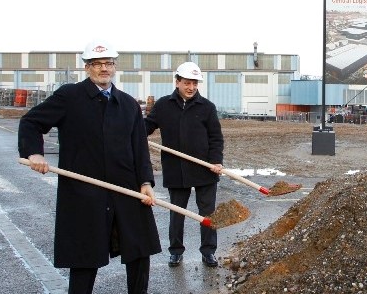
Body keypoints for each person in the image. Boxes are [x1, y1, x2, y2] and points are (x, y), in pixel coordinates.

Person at [18, 40, 161, 293]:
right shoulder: (69, 97)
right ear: (87, 68)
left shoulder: (127, 104)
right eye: (97, 64)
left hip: (126, 190)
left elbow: (139, 148)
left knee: (139, 251)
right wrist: (34, 153)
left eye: (108, 63)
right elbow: (31, 122)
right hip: (84, 191)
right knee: (84, 258)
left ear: (114, 67)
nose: (103, 68)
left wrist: (146, 182)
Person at [144, 61, 224, 268]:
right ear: (177, 81)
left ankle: (208, 251)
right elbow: (147, 126)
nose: (191, 87)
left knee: (208, 214)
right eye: (187, 83)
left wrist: (216, 161)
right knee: (177, 213)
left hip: (204, 170)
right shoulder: (163, 105)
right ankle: (176, 251)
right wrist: (134, 128)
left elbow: (216, 137)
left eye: (195, 84)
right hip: (175, 169)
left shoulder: (206, 107)